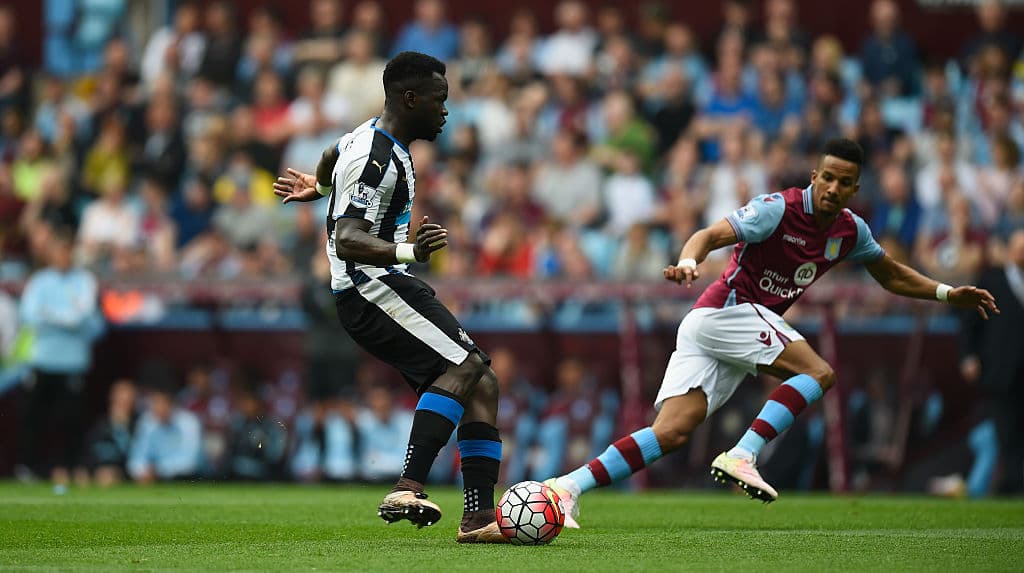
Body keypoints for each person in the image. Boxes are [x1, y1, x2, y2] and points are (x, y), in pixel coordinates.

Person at [544, 138, 999, 528]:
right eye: (828, 178)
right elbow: (710, 234)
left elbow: (891, 275)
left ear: (855, 188)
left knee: (671, 433)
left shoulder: (850, 231)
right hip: (727, 311)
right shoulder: (777, 209)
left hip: (727, 327)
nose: (834, 188)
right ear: (815, 175)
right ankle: (743, 453)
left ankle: (566, 487)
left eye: (845, 183)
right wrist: (688, 261)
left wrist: (945, 293)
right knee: (819, 373)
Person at [272, 52, 505, 543]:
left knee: (482, 382)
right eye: (440, 101)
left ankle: (479, 518)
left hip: (379, 285)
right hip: (370, 287)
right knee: (465, 366)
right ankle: (407, 486)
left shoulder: (368, 138)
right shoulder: (379, 160)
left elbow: (332, 154)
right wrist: (407, 249)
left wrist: (318, 185)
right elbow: (347, 238)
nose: (446, 111)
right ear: (410, 98)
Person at [16, 230, 104, 491]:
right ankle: (30, 467)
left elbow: (84, 317)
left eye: (67, 251)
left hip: (73, 362)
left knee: (71, 418)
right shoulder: (40, 281)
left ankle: (71, 467)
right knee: (35, 416)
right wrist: (67, 319)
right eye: (59, 251)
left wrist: (51, 317)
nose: (63, 256)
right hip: (43, 360)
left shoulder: (85, 280)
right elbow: (30, 317)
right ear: (51, 255)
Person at [960, 228, 1024, 495]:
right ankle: (1013, 482)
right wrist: (968, 356)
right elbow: (969, 323)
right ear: (1010, 250)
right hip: (1002, 372)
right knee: (1006, 432)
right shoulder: (992, 280)